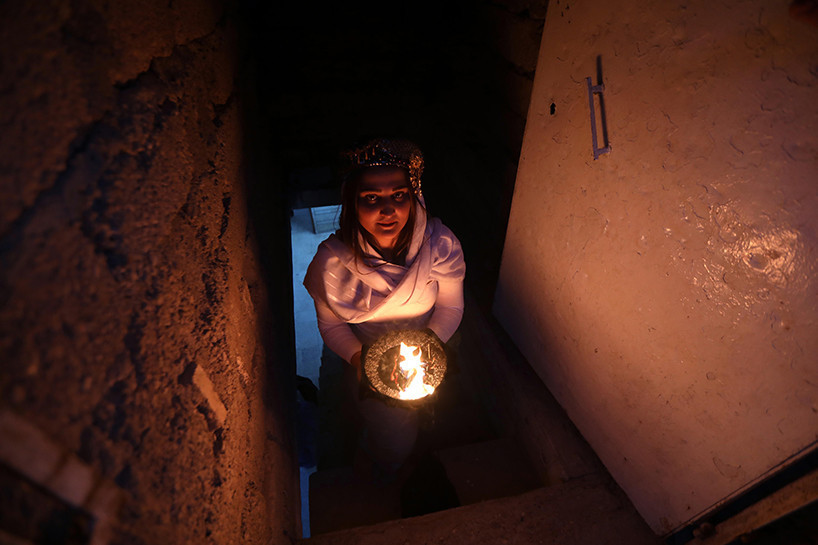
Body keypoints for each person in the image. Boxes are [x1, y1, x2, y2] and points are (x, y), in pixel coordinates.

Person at [303, 138, 466, 477]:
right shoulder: (332, 264)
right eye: (372, 198)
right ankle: (383, 470)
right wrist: (362, 360)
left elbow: (450, 306)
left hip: (430, 348)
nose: (388, 210)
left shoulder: (440, 246)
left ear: (414, 197)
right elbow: (333, 327)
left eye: (399, 195)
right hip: (369, 358)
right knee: (392, 434)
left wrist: (429, 347)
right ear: (352, 203)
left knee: (440, 409)